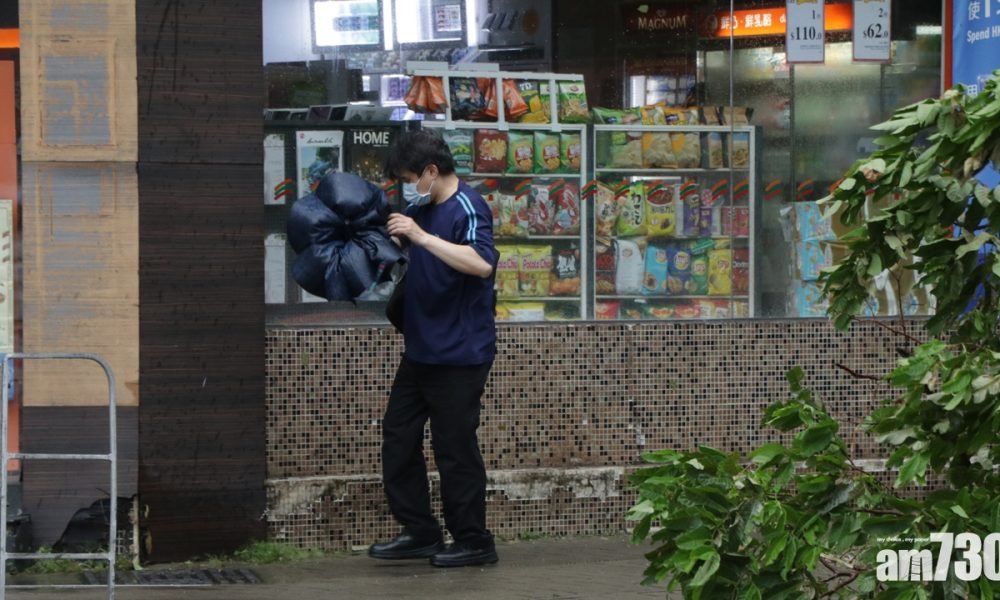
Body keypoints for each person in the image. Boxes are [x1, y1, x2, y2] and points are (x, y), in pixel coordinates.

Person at [368, 129, 499, 568]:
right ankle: (420, 531)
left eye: (409, 177)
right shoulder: (418, 207)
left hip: (460, 354)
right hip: (420, 349)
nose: (408, 185)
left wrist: (421, 238)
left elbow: (481, 264)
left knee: (453, 447)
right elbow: (400, 248)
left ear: (430, 171)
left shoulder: (468, 206)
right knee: (398, 438)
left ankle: (474, 540)